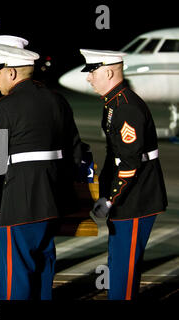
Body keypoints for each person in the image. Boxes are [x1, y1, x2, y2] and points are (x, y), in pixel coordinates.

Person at [0, 42, 81, 300]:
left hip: (19, 204)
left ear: (12, 73)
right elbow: (75, 150)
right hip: (53, 201)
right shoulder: (57, 100)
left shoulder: (3, 107)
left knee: (16, 277)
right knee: (43, 270)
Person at [80, 49, 168, 300]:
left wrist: (110, 198)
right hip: (128, 194)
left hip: (135, 197)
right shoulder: (115, 102)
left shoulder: (125, 107)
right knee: (119, 261)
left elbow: (130, 161)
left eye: (92, 72)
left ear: (108, 72)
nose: (89, 78)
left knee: (123, 266)